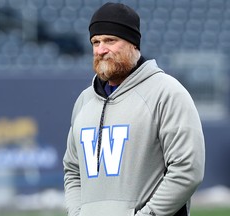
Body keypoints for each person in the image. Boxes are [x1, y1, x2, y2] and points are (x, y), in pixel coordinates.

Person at [63, 2, 205, 216]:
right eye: (96, 42)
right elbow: (73, 171)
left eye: (110, 40)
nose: (101, 49)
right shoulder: (84, 101)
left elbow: (187, 169)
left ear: (133, 44)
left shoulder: (166, 92)